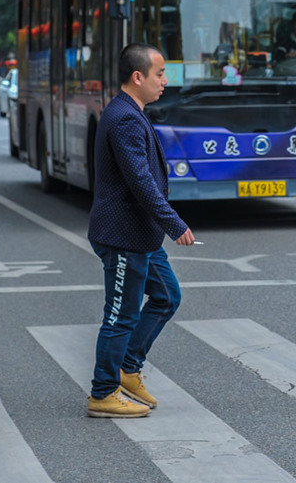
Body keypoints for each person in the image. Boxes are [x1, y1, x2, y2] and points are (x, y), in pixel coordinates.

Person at [86, 43, 195, 418]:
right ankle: (102, 392)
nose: (165, 81)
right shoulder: (125, 118)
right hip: (123, 237)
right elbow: (141, 182)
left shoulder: (130, 111)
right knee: (120, 315)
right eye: (159, 74)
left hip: (141, 235)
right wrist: (175, 224)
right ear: (138, 77)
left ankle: (128, 368)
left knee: (167, 296)